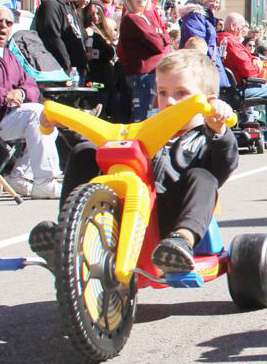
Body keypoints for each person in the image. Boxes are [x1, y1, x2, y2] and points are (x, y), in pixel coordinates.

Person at [30, 49, 238, 275]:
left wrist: (219, 128)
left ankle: (181, 242)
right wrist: (66, 125)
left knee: (204, 176)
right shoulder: (143, 129)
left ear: (209, 101)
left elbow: (226, 162)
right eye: (162, 92)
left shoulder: (205, 138)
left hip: (169, 216)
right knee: (85, 153)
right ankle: (66, 234)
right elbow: (107, 142)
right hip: (121, 209)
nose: (168, 101)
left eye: (181, 93)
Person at [0, 6, 62, 199]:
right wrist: (5, 95)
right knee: (37, 114)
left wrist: (21, 92)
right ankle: (45, 182)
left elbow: (32, 85)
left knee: (47, 118)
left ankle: (19, 176)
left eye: (8, 23)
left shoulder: (10, 57)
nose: (3, 27)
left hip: (10, 117)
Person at [216, 13, 267, 148]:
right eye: (242, 27)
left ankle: (262, 125)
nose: (244, 30)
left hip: (231, 87)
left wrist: (254, 60)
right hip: (238, 89)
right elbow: (248, 70)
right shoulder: (231, 42)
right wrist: (258, 66)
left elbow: (249, 59)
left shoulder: (222, 40)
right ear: (233, 26)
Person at [118, 0, 172, 122]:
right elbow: (157, 44)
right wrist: (162, 36)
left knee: (149, 115)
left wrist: (161, 35)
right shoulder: (132, 19)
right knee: (143, 117)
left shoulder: (147, 18)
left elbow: (163, 36)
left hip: (150, 74)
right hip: (143, 75)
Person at [179, 0, 229, 88]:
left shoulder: (204, 18)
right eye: (212, 1)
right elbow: (197, 47)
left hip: (209, 71)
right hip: (203, 75)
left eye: (217, 2)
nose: (215, 5)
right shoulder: (195, 16)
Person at [32, 0, 89, 78]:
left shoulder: (69, 8)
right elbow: (53, 38)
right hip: (62, 73)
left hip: (77, 73)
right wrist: (67, 66)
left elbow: (80, 36)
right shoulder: (51, 5)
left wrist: (84, 65)